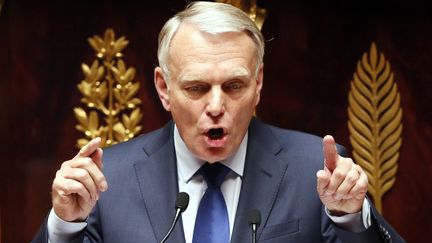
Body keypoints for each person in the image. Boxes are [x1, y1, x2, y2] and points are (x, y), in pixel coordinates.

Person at [33, 1, 404, 243]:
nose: (215, 106)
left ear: (258, 84)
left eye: (234, 86)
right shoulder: (107, 178)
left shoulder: (316, 168)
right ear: (164, 88)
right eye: (196, 87)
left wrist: (348, 219)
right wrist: (65, 227)